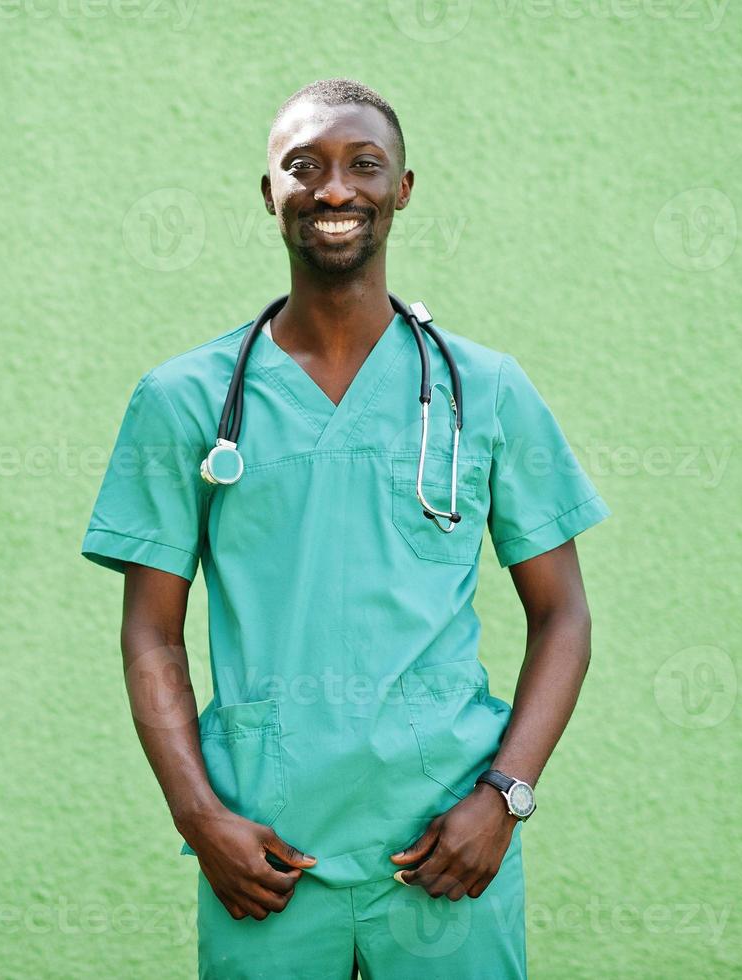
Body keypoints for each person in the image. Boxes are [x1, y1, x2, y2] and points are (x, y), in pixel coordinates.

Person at [81, 78, 609, 979]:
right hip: (264, 850)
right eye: (304, 167)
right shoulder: (186, 399)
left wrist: (504, 796)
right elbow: (150, 632)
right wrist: (198, 817)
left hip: (448, 843)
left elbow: (563, 617)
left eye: (363, 166)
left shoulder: (482, 390)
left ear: (403, 188)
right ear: (268, 193)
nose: (334, 191)